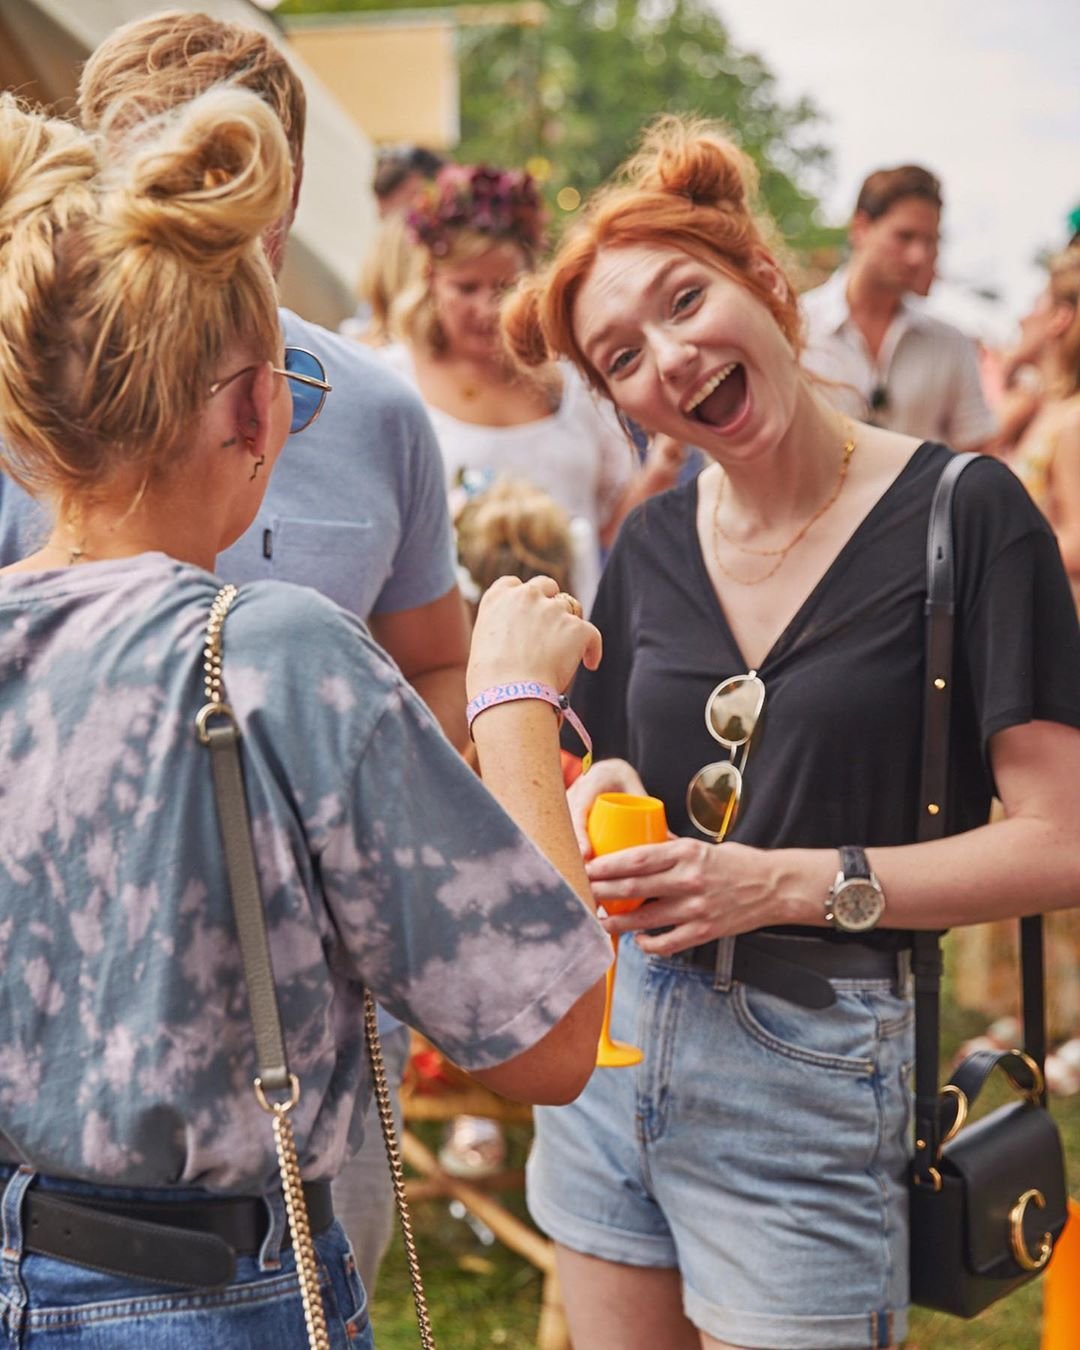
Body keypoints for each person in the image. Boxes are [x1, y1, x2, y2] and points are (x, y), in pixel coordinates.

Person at [0, 86, 609, 1347]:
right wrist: (512, 706)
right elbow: (551, 1044)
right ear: (247, 405)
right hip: (207, 1301)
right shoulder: (278, 654)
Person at [501, 115, 1080, 1350]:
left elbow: (1063, 839)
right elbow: (609, 758)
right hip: (615, 1062)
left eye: (684, 298)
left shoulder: (967, 517)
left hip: (816, 1070)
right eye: (622, 355)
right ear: (622, 404)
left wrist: (774, 884)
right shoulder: (651, 544)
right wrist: (601, 780)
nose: (669, 354)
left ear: (766, 280)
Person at [380, 161, 685, 612]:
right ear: (431, 281)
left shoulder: (576, 384)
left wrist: (663, 465)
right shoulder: (393, 381)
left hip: (577, 642)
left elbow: (610, 531)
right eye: (465, 288)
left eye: (503, 287)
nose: (486, 309)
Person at [801, 164, 998, 452]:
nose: (918, 256)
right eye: (905, 236)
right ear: (861, 228)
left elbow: (977, 454)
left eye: (930, 240)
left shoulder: (951, 344)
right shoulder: (796, 327)